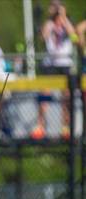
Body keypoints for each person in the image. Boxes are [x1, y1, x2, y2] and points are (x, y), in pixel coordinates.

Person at [31, 2, 76, 140]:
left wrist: (63, 16)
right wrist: (51, 19)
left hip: (64, 63)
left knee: (66, 97)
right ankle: (40, 126)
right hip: (50, 64)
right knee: (44, 95)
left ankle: (66, 127)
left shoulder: (68, 22)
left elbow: (73, 36)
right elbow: (43, 37)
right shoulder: (49, 23)